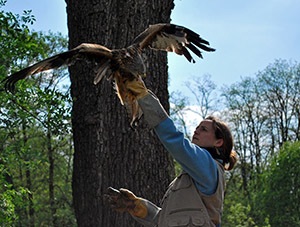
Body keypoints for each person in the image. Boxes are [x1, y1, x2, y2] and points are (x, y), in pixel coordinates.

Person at [104, 77, 238, 227]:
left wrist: (143, 96)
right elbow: (165, 220)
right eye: (198, 126)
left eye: (204, 129)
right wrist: (137, 207)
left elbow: (175, 141)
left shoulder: (210, 168)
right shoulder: (185, 180)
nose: (196, 130)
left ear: (218, 142)